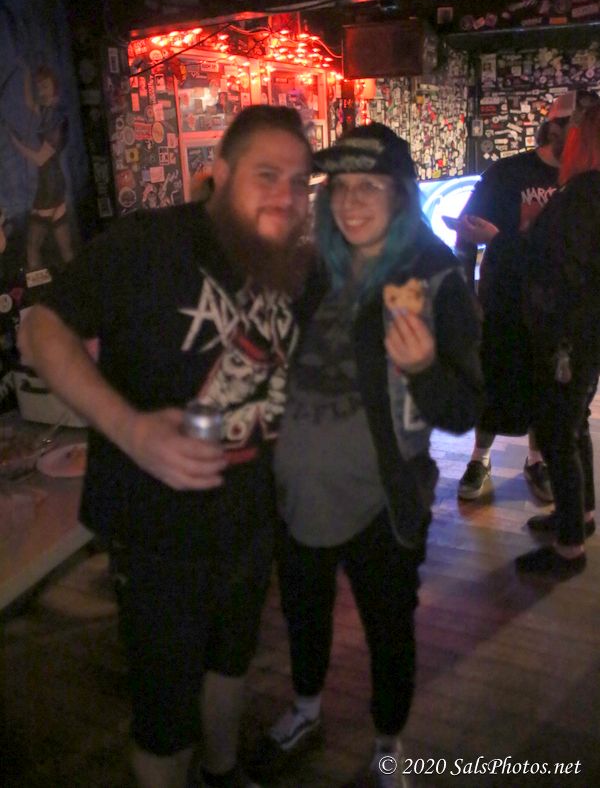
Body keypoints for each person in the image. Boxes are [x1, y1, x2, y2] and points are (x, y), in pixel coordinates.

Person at [17, 105, 314, 788]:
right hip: (157, 532)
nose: (286, 195)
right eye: (267, 174)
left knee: (231, 663)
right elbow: (40, 331)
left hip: (251, 519)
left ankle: (224, 772)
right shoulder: (149, 243)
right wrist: (131, 429)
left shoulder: (298, 264)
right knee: (164, 712)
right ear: (221, 173)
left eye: (300, 181)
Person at [248, 124, 482, 787]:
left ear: (401, 193)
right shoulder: (310, 268)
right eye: (341, 186)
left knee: (388, 629)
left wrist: (427, 367)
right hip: (296, 495)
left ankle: (388, 742)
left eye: (369, 186)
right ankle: (306, 709)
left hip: (382, 501)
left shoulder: (434, 275)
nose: (350, 202)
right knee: (303, 614)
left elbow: (464, 409)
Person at [454, 89, 600, 503]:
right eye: (579, 125)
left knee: (546, 391)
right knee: (493, 381)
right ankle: (479, 458)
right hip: (505, 299)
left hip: (556, 313)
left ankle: (537, 461)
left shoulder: (584, 183)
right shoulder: (508, 172)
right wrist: (465, 293)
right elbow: (466, 231)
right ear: (555, 128)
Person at [515, 104, 600, 576]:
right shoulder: (588, 193)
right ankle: (580, 516)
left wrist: (526, 230)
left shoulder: (583, 195)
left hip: (567, 336)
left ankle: (569, 547)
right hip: (585, 332)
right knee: (573, 425)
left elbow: (561, 271)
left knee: (556, 434)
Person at [10, 62, 74, 272]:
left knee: (32, 247)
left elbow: (40, 159)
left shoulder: (56, 117)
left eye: (45, 86)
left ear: (54, 87)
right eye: (39, 87)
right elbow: (30, 102)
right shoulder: (48, 111)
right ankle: (77, 282)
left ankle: (38, 290)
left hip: (49, 187)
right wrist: (26, 73)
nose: (40, 91)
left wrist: (15, 142)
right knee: (66, 249)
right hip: (54, 183)